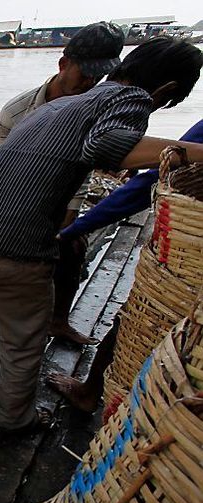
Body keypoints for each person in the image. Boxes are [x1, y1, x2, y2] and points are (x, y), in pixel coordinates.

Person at [0, 37, 203, 436]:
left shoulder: (60, 104)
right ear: (167, 90)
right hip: (14, 247)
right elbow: (107, 146)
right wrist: (193, 151)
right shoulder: (130, 101)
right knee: (23, 339)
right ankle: (17, 422)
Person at [0, 21, 127, 345]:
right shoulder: (17, 110)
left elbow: (80, 180)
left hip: (52, 201)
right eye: (85, 73)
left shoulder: (93, 113)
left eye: (99, 75)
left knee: (73, 245)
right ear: (64, 64)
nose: (91, 82)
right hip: (3, 193)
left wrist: (64, 225)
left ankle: (58, 320)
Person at [47, 118, 203, 412]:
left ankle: (91, 392)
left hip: (186, 265)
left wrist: (76, 228)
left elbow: (150, 180)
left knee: (140, 317)